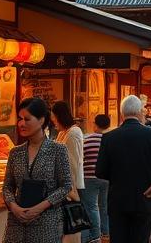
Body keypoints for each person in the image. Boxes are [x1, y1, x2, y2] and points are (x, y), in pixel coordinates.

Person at [96, 95, 151, 243]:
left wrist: (117, 178)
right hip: (144, 197)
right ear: (139, 112)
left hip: (118, 198)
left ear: (122, 113)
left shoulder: (109, 137)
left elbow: (99, 171)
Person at [3, 97, 74, 243]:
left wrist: (40, 207)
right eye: (20, 119)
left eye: (27, 119)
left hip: (47, 223)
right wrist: (14, 207)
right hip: (17, 225)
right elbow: (7, 186)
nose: (21, 123)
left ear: (41, 120)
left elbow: (66, 186)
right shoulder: (15, 152)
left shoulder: (58, 150)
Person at [53, 100, 86, 243]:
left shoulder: (72, 133)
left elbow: (72, 164)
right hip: (66, 188)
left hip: (71, 188)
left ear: (59, 116)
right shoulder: (64, 132)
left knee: (71, 230)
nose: (52, 120)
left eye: (53, 116)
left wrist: (70, 192)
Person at [83, 114, 111, 243]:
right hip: (106, 178)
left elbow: (81, 158)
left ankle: (95, 235)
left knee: (91, 206)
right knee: (104, 206)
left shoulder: (87, 140)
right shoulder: (111, 139)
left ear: (95, 124)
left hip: (90, 177)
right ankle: (106, 232)